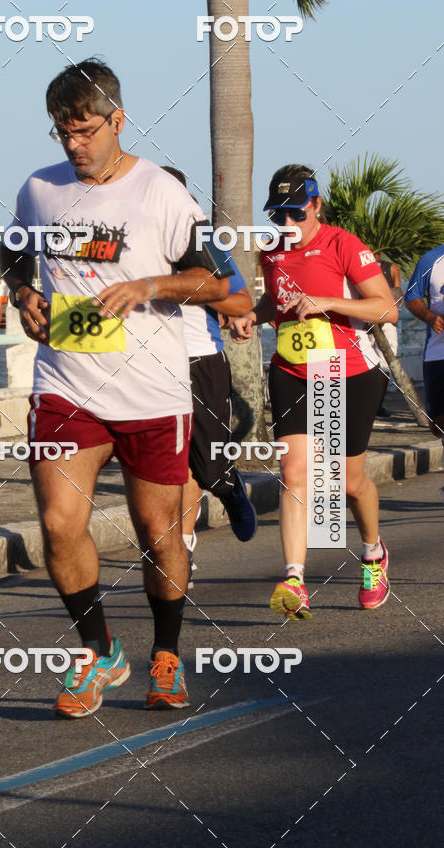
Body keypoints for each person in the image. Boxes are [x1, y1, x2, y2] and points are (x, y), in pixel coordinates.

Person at [0, 59, 230, 717]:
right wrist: (24, 295)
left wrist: (149, 286)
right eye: (62, 132)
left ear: (118, 121)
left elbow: (218, 285)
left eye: (85, 129)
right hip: (67, 388)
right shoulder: (39, 190)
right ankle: (99, 652)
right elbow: (16, 251)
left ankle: (165, 656)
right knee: (56, 524)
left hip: (153, 396)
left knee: (158, 531)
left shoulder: (161, 193)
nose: (74, 144)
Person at [230, 164, 398, 617]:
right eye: (277, 216)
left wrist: (329, 302)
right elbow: (275, 301)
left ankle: (373, 552)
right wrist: (254, 316)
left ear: (316, 206)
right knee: (296, 473)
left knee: (347, 480)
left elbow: (387, 309)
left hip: (349, 369)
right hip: (293, 369)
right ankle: (294, 580)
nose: (286, 224)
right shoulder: (273, 252)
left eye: (295, 213)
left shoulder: (343, 244)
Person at [160, 167, 257, 587]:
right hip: (152, 367)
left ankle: (230, 486)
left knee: (208, 469)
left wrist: (194, 293)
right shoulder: (131, 244)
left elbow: (240, 300)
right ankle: (183, 555)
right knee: (175, 470)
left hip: (201, 362)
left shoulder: (203, 242)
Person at [404, 245, 444, 498]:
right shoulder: (432, 259)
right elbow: (412, 296)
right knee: (438, 425)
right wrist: (430, 316)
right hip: (438, 353)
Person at [372, 251, 403, 418]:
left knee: (386, 363)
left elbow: (399, 295)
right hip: (364, 318)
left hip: (387, 320)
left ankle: (378, 404)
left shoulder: (390, 268)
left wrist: (386, 295)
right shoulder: (356, 265)